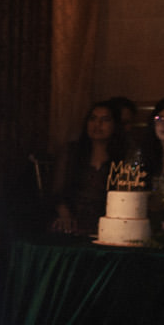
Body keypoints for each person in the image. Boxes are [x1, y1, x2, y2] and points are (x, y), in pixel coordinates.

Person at [50, 100, 121, 236]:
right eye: (93, 119)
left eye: (104, 120)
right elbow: (57, 191)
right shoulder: (72, 152)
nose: (97, 125)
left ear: (115, 125)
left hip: (109, 222)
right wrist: (64, 214)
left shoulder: (122, 156)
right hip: (72, 217)